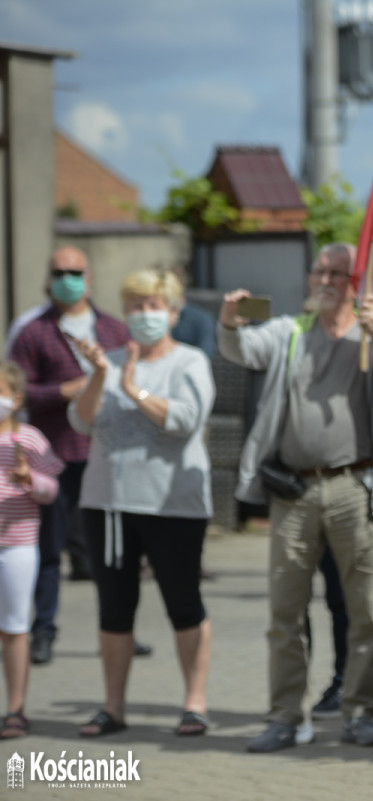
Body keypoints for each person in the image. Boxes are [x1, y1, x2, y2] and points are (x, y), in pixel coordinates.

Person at [220, 243, 373, 753]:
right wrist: (230, 323)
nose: (323, 279)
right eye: (318, 270)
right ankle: (284, 717)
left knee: (367, 611)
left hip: (353, 486)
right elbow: (241, 352)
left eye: (335, 272)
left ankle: (361, 713)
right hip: (293, 490)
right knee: (285, 611)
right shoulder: (290, 331)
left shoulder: (368, 337)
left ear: (353, 282)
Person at [68, 268, 215, 738]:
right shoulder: (107, 361)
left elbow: (186, 420)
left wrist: (135, 389)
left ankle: (194, 702)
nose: (144, 314)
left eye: (154, 305)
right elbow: (81, 421)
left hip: (173, 506)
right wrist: (100, 377)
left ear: (173, 312)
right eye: (135, 305)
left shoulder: (190, 362)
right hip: (109, 505)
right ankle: (113, 706)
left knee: (183, 603)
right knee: (114, 607)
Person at [9, 247, 129, 664]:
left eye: (75, 272)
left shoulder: (113, 329)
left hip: (104, 456)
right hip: (53, 456)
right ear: (48, 277)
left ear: (89, 278)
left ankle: (117, 629)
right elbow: (18, 392)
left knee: (108, 553)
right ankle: (44, 630)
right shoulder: (33, 331)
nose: (67, 278)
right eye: (59, 272)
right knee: (49, 551)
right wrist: (67, 390)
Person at [0, 361, 63, 740]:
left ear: (15, 397)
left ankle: (16, 709)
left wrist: (31, 479)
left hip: (18, 545)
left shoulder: (30, 439)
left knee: (15, 627)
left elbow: (53, 489)